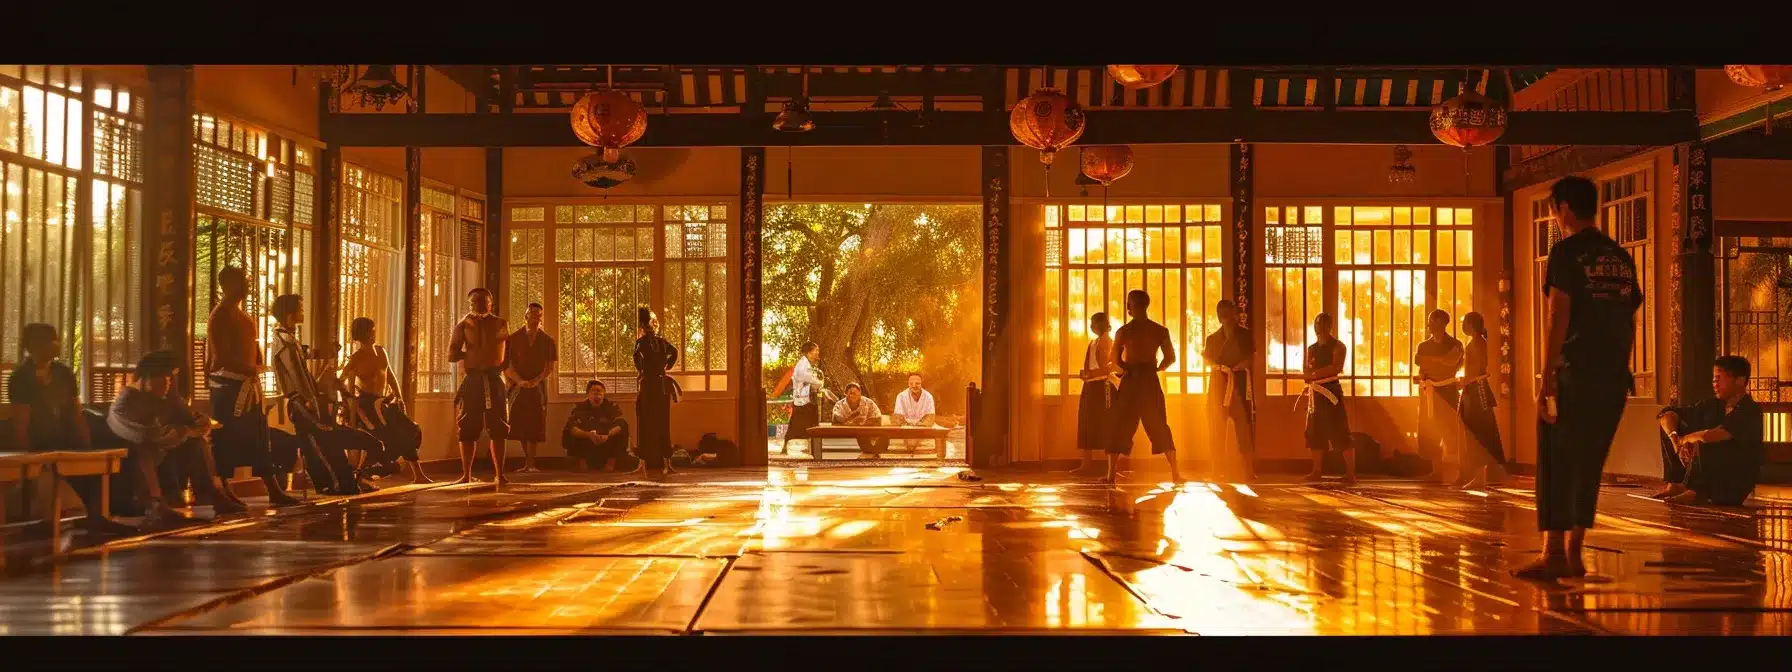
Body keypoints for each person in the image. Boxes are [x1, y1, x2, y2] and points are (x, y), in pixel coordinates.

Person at [1519, 175, 1643, 581]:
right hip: (1613, 377)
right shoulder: (1621, 258)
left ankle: (1554, 553)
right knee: (1590, 462)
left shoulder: (1567, 253)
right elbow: (1628, 317)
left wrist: (1546, 377)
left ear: (1565, 208)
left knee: (1557, 459)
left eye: (1554, 209)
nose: (1555, 217)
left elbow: (1558, 314)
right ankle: (1575, 553)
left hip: (1575, 372)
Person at [8, 324, 138, 537]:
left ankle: (100, 514)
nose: (53, 346)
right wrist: (27, 456)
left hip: (65, 438)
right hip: (40, 441)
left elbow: (76, 413)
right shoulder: (21, 377)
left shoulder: (63, 373)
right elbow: (21, 422)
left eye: (54, 340)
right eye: (47, 341)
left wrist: (86, 446)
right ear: (31, 346)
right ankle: (48, 520)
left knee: (108, 447)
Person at [202, 266, 302, 507]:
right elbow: (221, 356)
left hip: (249, 386)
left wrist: (256, 366)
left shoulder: (244, 317)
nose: (246, 286)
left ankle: (273, 490)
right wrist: (249, 370)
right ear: (226, 285)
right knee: (226, 439)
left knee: (259, 439)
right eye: (240, 282)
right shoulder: (219, 316)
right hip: (227, 388)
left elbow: (253, 350)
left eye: (246, 281)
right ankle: (224, 491)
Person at [108, 351, 243, 527]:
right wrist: (173, 433)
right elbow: (142, 436)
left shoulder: (166, 396)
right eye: (163, 379)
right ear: (146, 378)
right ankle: (156, 502)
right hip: (133, 466)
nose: (167, 384)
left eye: (170, 379)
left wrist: (188, 426)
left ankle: (212, 493)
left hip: (164, 457)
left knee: (198, 444)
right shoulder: (126, 400)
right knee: (143, 448)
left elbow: (195, 424)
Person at [268, 294, 375, 495]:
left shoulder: (287, 338)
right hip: (301, 401)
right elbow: (297, 374)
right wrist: (311, 400)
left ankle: (334, 484)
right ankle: (337, 483)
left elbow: (303, 361)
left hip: (302, 400)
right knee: (321, 443)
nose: (302, 312)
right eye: (300, 309)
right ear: (290, 314)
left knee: (317, 443)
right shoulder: (285, 340)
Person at [1654, 356, 1763, 506]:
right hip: (1710, 476)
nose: (1714, 384)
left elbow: (1710, 436)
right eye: (1713, 379)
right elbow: (1667, 414)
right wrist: (1675, 439)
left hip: (1732, 483)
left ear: (1739, 380)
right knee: (1672, 426)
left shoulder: (1750, 410)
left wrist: (1684, 441)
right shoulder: (1712, 405)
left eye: (1719, 378)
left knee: (1704, 438)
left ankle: (1696, 492)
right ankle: (1676, 484)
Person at [339, 317, 430, 483]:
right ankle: (361, 474)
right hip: (367, 406)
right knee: (379, 438)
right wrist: (351, 407)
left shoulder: (381, 352)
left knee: (409, 431)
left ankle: (419, 475)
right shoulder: (355, 358)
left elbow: (391, 376)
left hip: (384, 403)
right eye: (370, 330)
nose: (373, 333)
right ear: (361, 334)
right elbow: (342, 382)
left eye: (373, 330)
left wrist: (399, 397)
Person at [1107, 289, 1182, 484]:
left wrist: (1126, 368)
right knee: (1158, 424)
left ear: (1130, 307)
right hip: (1149, 379)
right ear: (1146, 305)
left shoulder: (1123, 331)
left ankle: (1110, 475)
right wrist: (1155, 368)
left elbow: (1114, 359)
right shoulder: (1159, 330)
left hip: (1131, 379)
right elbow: (1170, 358)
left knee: (1120, 425)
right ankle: (1175, 473)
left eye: (1129, 304)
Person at [449, 288, 509, 484]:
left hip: (494, 378)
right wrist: (472, 354)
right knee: (467, 427)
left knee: (499, 427)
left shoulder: (501, 324)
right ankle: (466, 474)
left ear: (491, 303)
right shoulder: (463, 325)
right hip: (473, 380)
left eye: (483, 301)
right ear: (470, 304)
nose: (479, 305)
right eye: (475, 302)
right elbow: (451, 354)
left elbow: (508, 354)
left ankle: (500, 474)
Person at [1203, 300, 1256, 481]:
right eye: (1220, 312)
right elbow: (1206, 359)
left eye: (1227, 311)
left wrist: (1240, 366)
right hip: (1219, 383)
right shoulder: (1212, 338)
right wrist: (1218, 367)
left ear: (1235, 313)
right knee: (1217, 428)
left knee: (1244, 427)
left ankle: (1249, 470)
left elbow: (1250, 358)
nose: (1224, 315)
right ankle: (1216, 470)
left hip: (1239, 384)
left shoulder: (1244, 336)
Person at [1300, 313, 1356, 485]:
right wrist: (1311, 376)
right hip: (1315, 394)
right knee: (1315, 432)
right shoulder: (1311, 348)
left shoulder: (1338, 346)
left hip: (1331, 392)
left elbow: (1336, 367)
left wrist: (1315, 374)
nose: (1319, 327)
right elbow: (1306, 370)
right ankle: (1316, 471)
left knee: (1340, 431)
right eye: (1317, 323)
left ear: (1330, 326)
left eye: (1323, 323)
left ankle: (1350, 474)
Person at [503, 303, 556, 473]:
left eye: (539, 315)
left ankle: (532, 463)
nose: (535, 317)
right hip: (518, 386)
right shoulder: (513, 338)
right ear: (525, 316)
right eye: (532, 313)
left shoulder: (548, 340)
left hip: (538, 386)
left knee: (535, 422)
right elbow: (507, 364)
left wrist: (536, 381)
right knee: (519, 423)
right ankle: (526, 462)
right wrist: (519, 381)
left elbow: (549, 367)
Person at [1413, 309, 1464, 483]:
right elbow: (1422, 367)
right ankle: (1436, 472)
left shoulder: (1455, 344)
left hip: (1448, 390)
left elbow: (1451, 365)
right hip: (1430, 390)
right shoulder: (1423, 346)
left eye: (1432, 321)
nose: (1428, 325)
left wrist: (1432, 361)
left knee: (1450, 431)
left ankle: (1456, 472)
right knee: (1431, 431)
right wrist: (1437, 363)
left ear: (1442, 322)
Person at [1457, 312, 1506, 489]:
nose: (1462, 325)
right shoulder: (1475, 342)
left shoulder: (1478, 343)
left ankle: (1480, 474)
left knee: (1478, 431)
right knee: (1478, 430)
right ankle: (1481, 473)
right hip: (1473, 387)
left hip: (1476, 389)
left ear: (1471, 325)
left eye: (1464, 322)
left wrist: (1466, 381)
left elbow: (1478, 369)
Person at [632, 308, 680, 477]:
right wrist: (664, 367)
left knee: (645, 424)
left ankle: (643, 464)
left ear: (641, 327)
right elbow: (674, 352)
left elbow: (638, 361)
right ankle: (667, 462)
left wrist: (643, 372)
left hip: (649, 386)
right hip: (661, 385)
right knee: (662, 423)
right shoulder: (660, 341)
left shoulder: (641, 343)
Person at [1072, 312, 1119, 477]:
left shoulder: (1110, 341)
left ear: (1101, 324)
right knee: (1086, 422)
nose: (1092, 326)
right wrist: (1086, 375)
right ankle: (1086, 464)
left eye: (1094, 323)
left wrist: (1092, 374)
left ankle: (1111, 467)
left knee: (1107, 423)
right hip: (1090, 386)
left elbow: (1111, 367)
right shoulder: (1093, 342)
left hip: (1104, 386)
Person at [563, 380, 630, 471]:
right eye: (594, 391)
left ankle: (610, 463)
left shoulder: (611, 406)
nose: (597, 393)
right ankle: (583, 463)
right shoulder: (580, 407)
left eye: (599, 391)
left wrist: (607, 435)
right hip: (587, 441)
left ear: (604, 393)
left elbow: (620, 423)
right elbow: (571, 427)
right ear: (588, 393)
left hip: (607, 440)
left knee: (623, 425)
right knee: (569, 429)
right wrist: (589, 435)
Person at [781, 342, 825, 455]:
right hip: (803, 400)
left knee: (812, 424)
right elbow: (813, 381)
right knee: (796, 425)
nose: (817, 354)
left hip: (807, 399)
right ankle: (786, 446)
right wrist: (820, 383)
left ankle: (812, 448)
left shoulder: (808, 365)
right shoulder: (802, 366)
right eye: (816, 351)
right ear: (808, 353)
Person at [832, 382, 886, 457]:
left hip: (865, 433)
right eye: (850, 393)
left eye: (855, 393)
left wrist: (863, 425)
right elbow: (836, 420)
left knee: (880, 439)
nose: (853, 395)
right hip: (845, 432)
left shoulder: (869, 403)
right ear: (846, 394)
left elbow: (877, 418)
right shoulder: (840, 404)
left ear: (860, 393)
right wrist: (850, 422)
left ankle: (872, 453)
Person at [892, 373, 937, 452]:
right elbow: (898, 417)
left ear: (921, 383)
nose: (914, 385)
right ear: (908, 384)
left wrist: (918, 427)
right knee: (909, 442)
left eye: (917, 383)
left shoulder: (928, 396)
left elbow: (930, 417)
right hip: (906, 426)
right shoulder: (901, 396)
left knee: (921, 442)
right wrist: (908, 427)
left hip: (922, 426)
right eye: (911, 383)